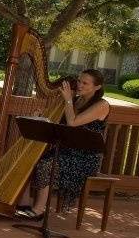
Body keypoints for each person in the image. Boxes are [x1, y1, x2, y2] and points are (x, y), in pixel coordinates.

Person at [20, 68, 110, 218]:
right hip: (67, 150)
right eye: (79, 81)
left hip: (85, 157)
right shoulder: (77, 101)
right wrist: (40, 117)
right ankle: (22, 203)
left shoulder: (102, 105)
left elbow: (72, 122)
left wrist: (68, 99)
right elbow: (58, 124)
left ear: (97, 87)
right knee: (31, 158)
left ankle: (38, 211)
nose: (79, 85)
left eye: (85, 83)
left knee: (47, 164)